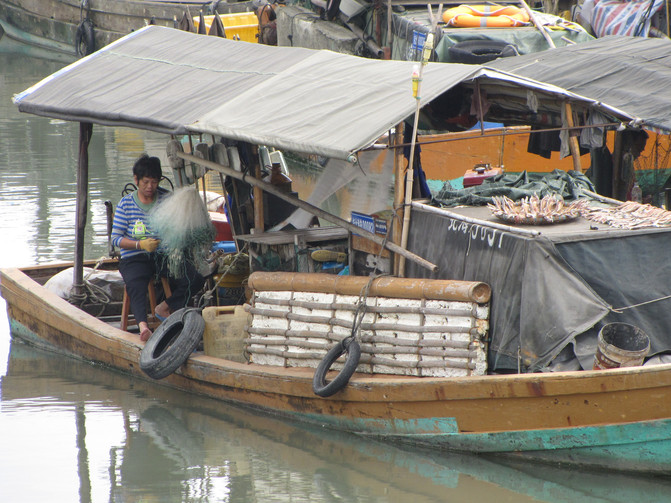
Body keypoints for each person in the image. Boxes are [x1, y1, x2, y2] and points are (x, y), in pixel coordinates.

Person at [111, 154, 205, 341]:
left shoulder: (166, 199)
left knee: (194, 278)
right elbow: (115, 239)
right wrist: (140, 244)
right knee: (136, 283)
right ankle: (143, 326)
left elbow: (179, 226)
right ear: (136, 180)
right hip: (135, 256)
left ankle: (166, 306)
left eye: (154, 182)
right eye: (145, 182)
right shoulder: (126, 204)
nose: (150, 187)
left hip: (163, 255)